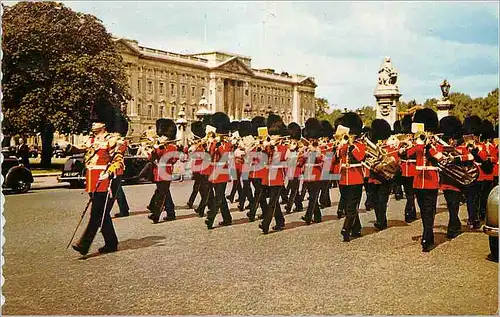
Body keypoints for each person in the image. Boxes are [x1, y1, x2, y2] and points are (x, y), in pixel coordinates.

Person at [72, 122, 124, 255]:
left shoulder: (112, 139)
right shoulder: (91, 140)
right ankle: (111, 243)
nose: (93, 125)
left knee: (96, 213)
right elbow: (80, 149)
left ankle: (84, 244)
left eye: (97, 122)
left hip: (104, 179)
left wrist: (110, 172)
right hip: (92, 180)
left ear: (104, 125)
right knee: (102, 213)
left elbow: (118, 159)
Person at [400, 108, 444, 252]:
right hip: (418, 181)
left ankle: (427, 234)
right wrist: (417, 144)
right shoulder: (418, 144)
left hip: (431, 181)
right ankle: (428, 232)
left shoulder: (437, 144)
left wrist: (429, 146)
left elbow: (439, 157)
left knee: (429, 209)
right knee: (423, 209)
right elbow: (405, 154)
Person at [336, 112, 365, 242]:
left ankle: (346, 228)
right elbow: (338, 156)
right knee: (349, 205)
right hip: (343, 178)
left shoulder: (360, 144)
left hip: (356, 178)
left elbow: (360, 157)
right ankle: (357, 228)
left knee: (351, 206)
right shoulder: (342, 143)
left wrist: (352, 145)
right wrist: (343, 144)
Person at [205, 112, 233, 229]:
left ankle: (210, 218)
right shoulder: (213, 143)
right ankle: (227, 218)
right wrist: (211, 144)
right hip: (214, 172)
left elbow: (224, 155)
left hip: (222, 172)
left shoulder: (228, 144)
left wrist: (218, 144)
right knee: (220, 197)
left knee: (219, 197)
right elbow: (209, 155)